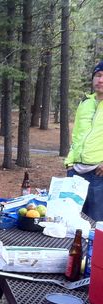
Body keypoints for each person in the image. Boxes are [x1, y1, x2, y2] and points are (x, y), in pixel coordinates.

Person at [64, 61, 103, 221]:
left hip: (98, 174)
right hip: (75, 172)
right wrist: (70, 162)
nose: (101, 80)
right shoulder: (85, 103)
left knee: (96, 223)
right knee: (72, 220)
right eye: (98, 75)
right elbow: (77, 135)